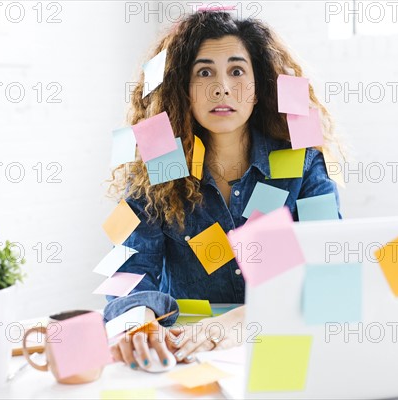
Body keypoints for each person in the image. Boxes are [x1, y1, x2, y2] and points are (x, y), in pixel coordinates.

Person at [104, 9, 343, 371]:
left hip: (283, 349)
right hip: (186, 356)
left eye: (236, 71)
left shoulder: (303, 161)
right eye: (204, 72)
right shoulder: (156, 167)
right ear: (182, 88)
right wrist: (135, 322)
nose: (222, 88)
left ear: (259, 87)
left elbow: (331, 269)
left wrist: (235, 322)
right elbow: (127, 272)